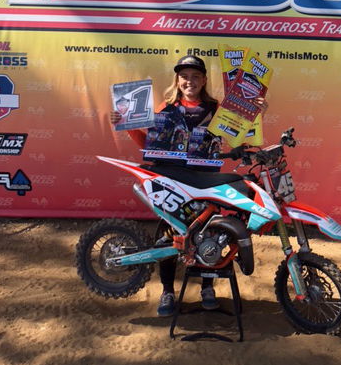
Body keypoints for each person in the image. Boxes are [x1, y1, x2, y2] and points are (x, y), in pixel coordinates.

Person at [111, 55, 268, 318]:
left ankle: (208, 288)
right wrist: (124, 123)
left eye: (195, 76)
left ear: (204, 80)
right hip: (173, 182)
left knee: (209, 235)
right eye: (184, 76)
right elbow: (148, 144)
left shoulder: (216, 108)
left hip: (206, 182)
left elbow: (239, 133)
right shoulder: (167, 107)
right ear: (177, 80)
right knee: (169, 238)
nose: (190, 81)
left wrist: (256, 112)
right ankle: (168, 292)